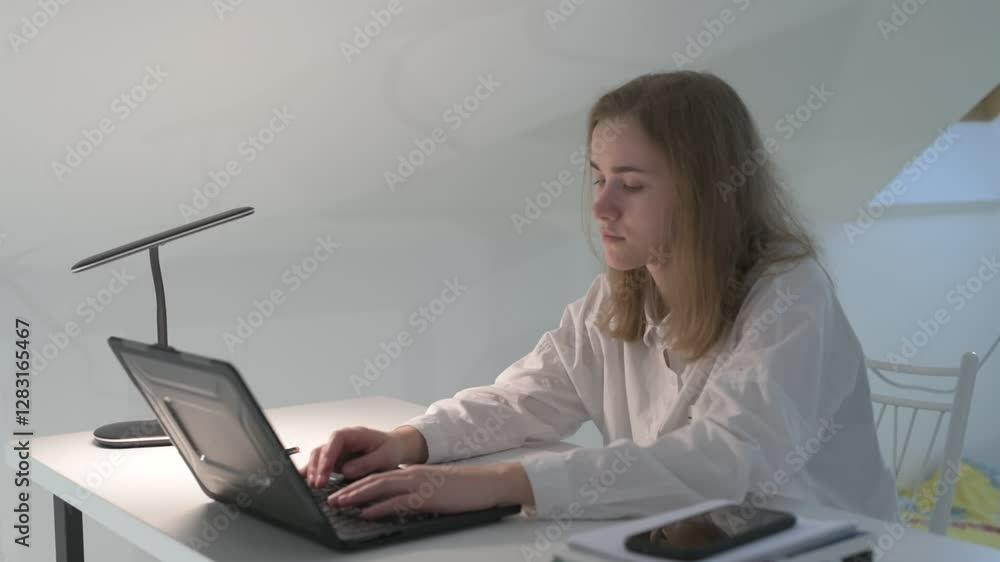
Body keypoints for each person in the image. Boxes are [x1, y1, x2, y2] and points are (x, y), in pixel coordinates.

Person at [300, 70, 899, 523]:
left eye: (631, 185)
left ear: (709, 193)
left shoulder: (790, 295)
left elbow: (727, 459)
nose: (600, 207)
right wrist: (411, 440)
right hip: (687, 535)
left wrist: (507, 484)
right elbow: (525, 398)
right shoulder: (622, 292)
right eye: (598, 176)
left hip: (819, 543)